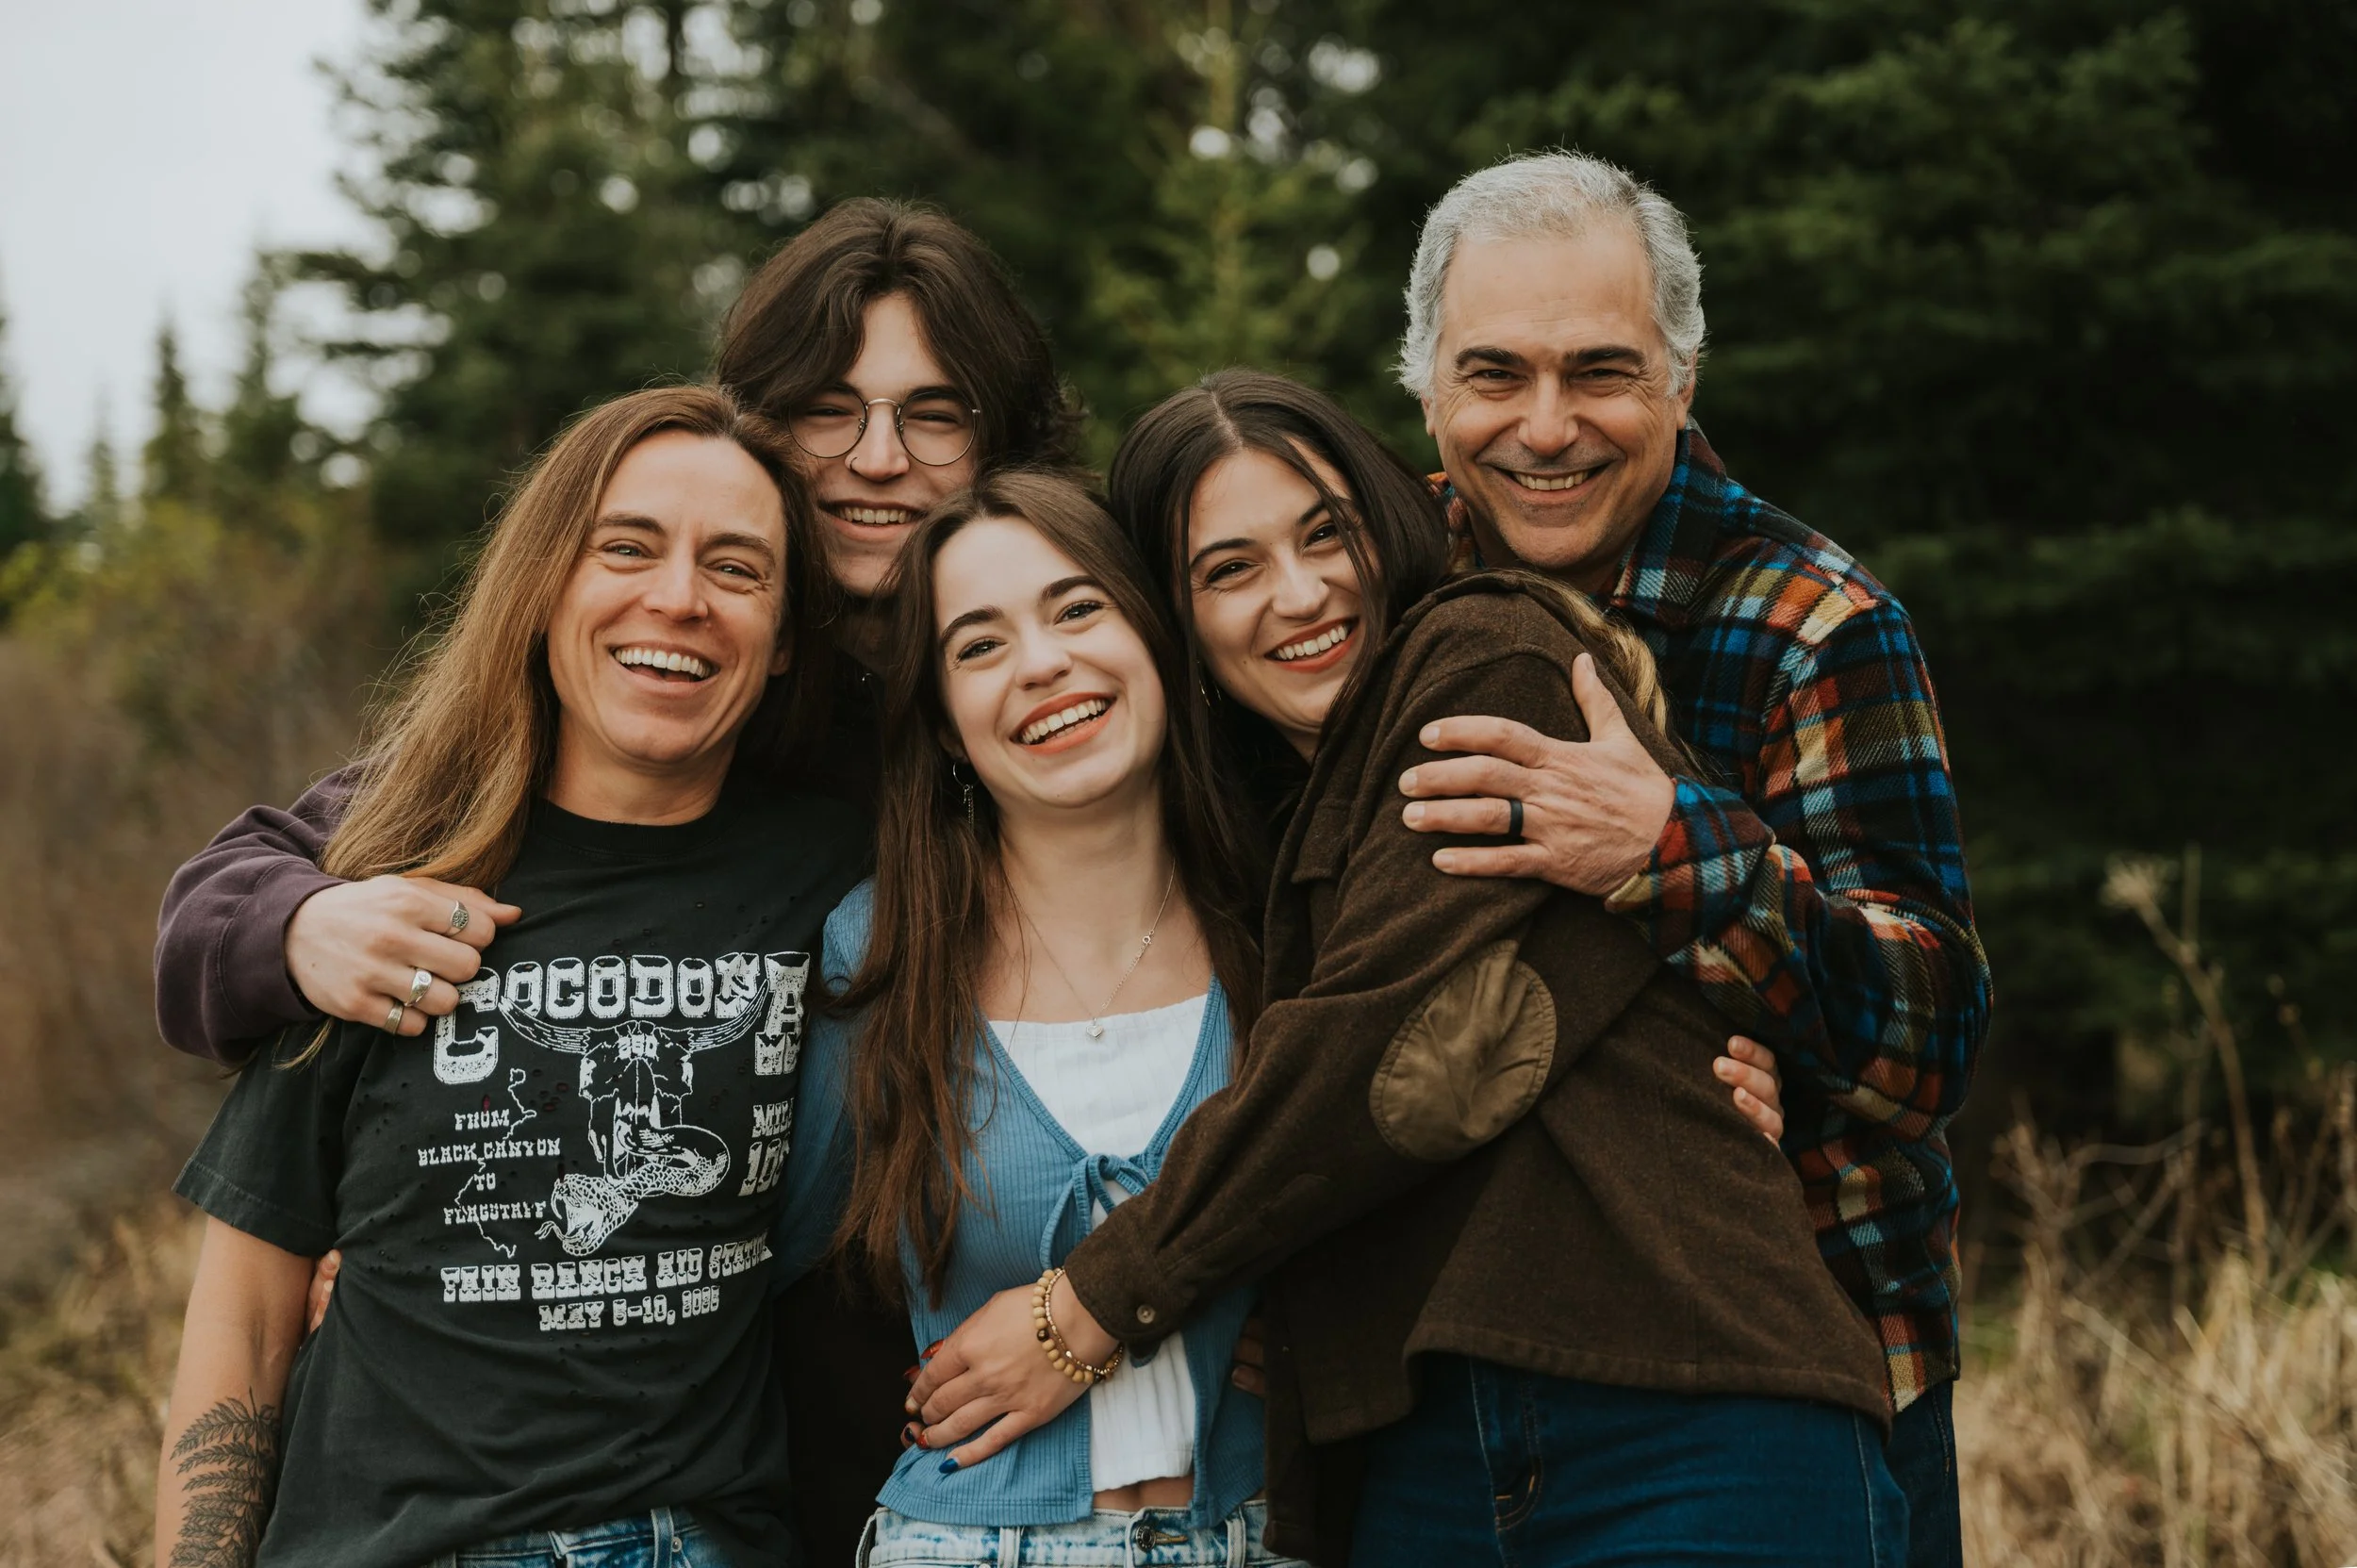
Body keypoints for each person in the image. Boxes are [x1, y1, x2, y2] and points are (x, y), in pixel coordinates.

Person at [147, 197, 1081, 1565]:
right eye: (831, 409)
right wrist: (302, 926)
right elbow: (253, 887)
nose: (879, 457)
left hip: (874, 1468)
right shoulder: (504, 808)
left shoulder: (1048, 701)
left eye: (934, 415)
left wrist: (1163, 1289)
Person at [903, 372, 1905, 1566]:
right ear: (1176, 623)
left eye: (1326, 532)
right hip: (1428, 1454)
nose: (1300, 591)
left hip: (1681, 1401)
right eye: (1228, 569)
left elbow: (1375, 1055)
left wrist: (1087, 1307)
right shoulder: (1264, 840)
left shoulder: (1483, 661)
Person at [1382, 152, 1991, 1566]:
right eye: (1494, 374)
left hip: (1793, 1377)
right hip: (1450, 1386)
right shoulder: (1376, 588)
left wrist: (1675, 847)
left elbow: (1932, 1027)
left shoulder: (1811, 622)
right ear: (1426, 382)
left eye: (1601, 370)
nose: (1546, 427)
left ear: (1682, 377)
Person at [154, 385, 867, 1568]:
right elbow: (243, 1314)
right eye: (625, 547)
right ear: (543, 585)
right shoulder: (378, 887)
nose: (678, 598)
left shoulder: (838, 875)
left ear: (786, 634)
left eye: (737, 568)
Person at [772, 470, 1299, 1566]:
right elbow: (751, 1252)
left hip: (1272, 1532)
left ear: (1157, 639)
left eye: (1076, 609)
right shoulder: (880, 952)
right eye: (978, 645)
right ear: (949, 727)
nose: (1043, 664)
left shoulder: (1286, 925)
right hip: (971, 1543)